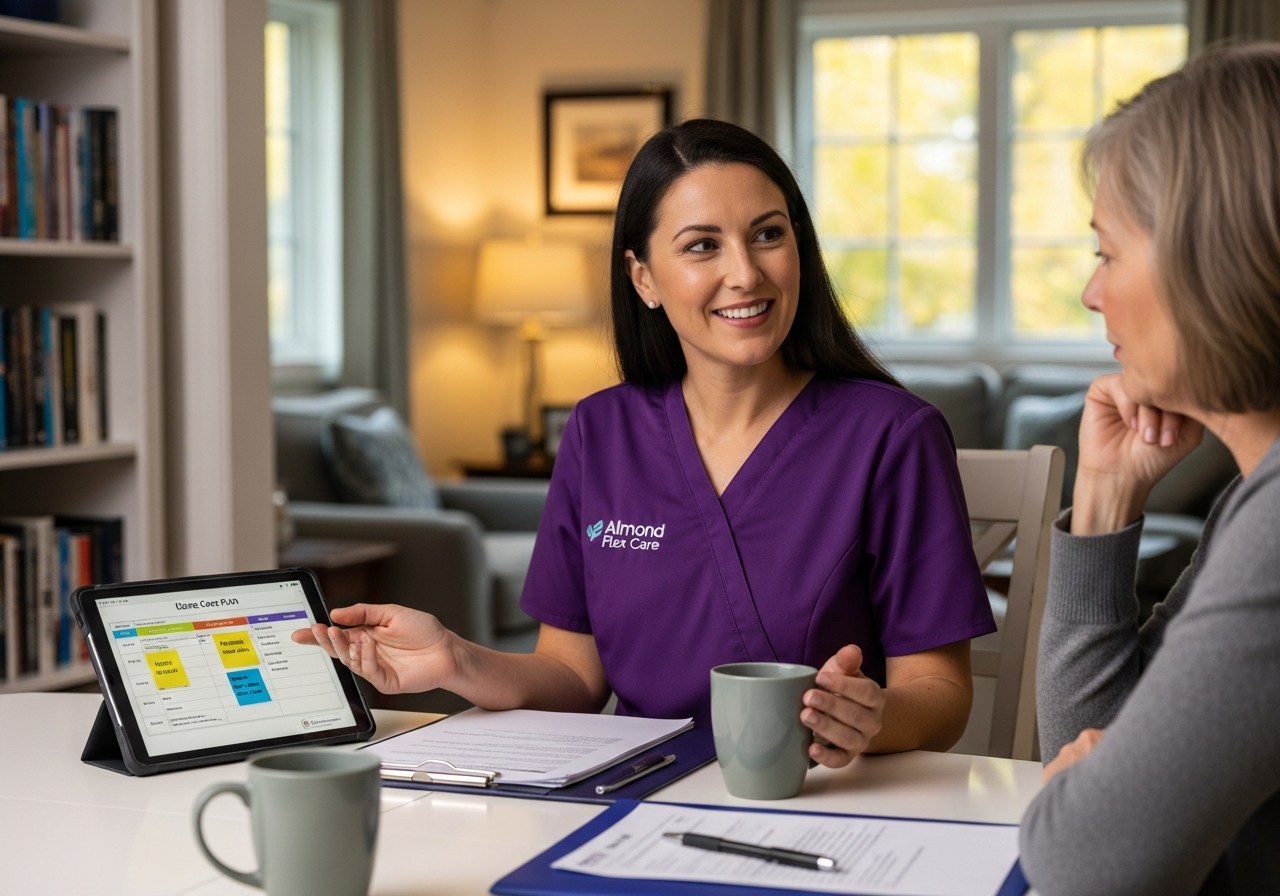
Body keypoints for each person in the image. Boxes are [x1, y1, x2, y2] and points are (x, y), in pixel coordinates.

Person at [294, 119, 995, 767]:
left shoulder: (894, 437)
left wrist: (871, 718)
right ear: (645, 279)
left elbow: (939, 693)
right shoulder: (600, 432)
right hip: (637, 793)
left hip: (817, 800)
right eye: (702, 246)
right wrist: (455, 659)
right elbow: (573, 677)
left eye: (768, 234)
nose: (746, 273)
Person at [1019, 45, 1280, 895]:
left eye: (1107, 252)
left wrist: (1082, 798)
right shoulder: (1255, 495)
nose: (1092, 294)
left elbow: (1084, 863)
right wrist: (1105, 495)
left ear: (1213, 261)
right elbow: (1086, 735)